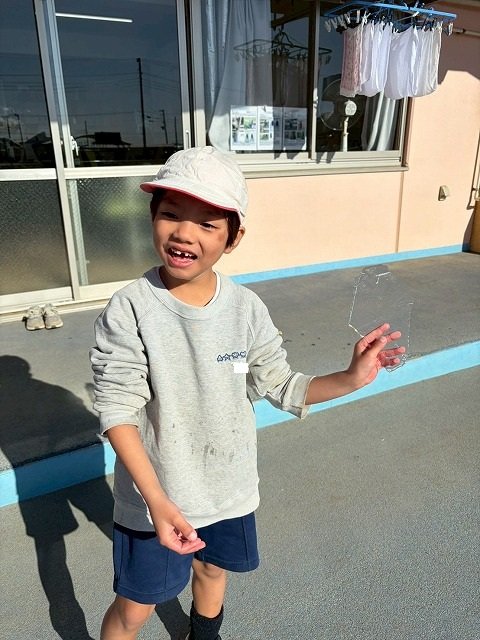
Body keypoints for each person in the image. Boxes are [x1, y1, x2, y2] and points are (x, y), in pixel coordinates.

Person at [90, 146, 404, 640]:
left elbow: (280, 384)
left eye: (207, 224)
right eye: (171, 214)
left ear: (233, 238)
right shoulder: (130, 309)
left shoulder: (246, 309)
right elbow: (117, 409)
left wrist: (351, 377)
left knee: (212, 572)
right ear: (152, 218)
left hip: (227, 494)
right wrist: (158, 502)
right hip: (154, 501)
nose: (184, 233)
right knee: (135, 608)